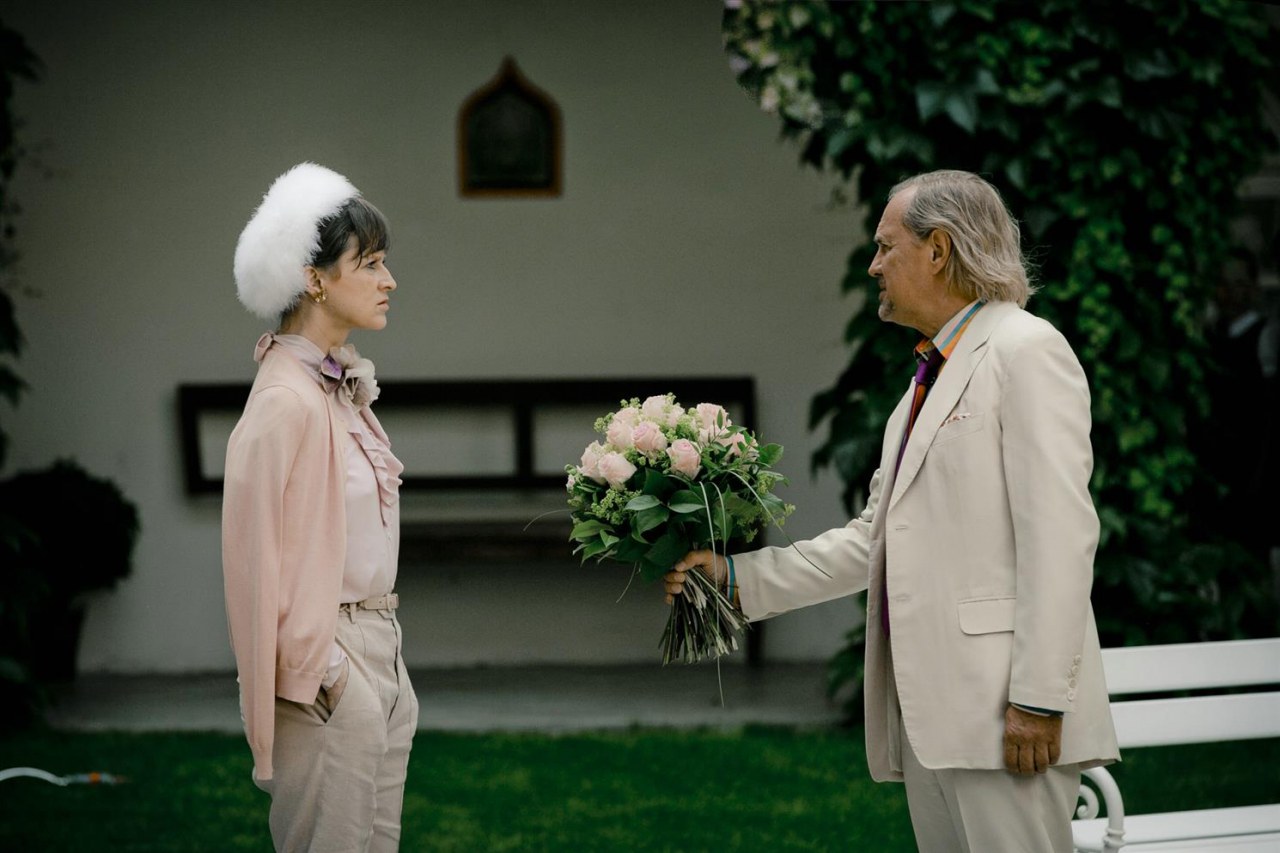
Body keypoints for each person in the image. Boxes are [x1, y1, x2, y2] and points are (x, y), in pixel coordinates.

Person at [665, 170, 1119, 852]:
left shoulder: (1026, 350)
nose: (873, 265)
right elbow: (874, 540)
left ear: (937, 249)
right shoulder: (924, 382)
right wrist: (734, 579)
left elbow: (1061, 537)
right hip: (935, 718)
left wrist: (1038, 698)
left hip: (1007, 716)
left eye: (885, 246)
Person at [223, 162, 417, 851]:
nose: (388, 281)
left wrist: (385, 671)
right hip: (328, 669)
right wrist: (329, 671)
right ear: (315, 279)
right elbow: (253, 563)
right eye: (369, 263)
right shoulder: (283, 398)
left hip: (378, 649)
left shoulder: (333, 384)